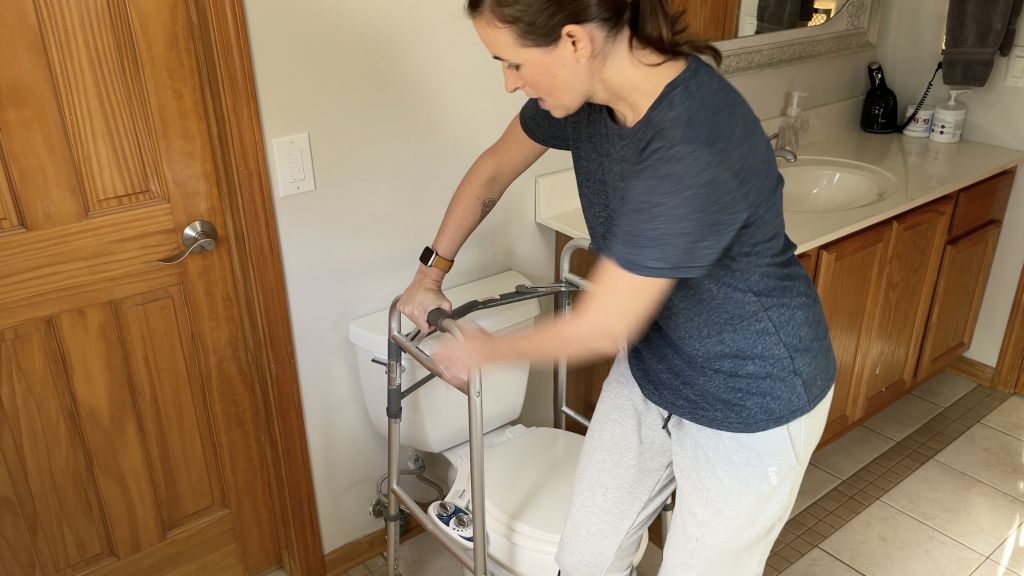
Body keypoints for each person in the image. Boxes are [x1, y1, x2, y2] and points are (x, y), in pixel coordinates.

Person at [398, 0, 837, 574]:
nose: (508, 84)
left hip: (749, 394)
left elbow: (605, 323)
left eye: (513, 64)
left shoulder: (692, 140)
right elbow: (494, 168)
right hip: (656, 366)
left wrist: (485, 349)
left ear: (576, 42)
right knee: (585, 559)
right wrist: (430, 273)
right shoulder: (588, 100)